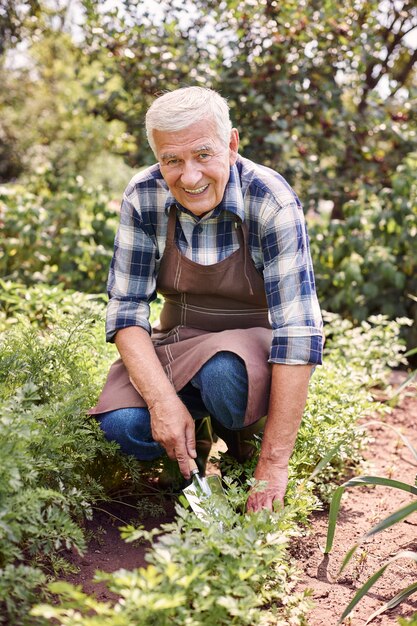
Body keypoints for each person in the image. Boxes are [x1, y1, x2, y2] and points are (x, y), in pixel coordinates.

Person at [90, 86, 323, 512]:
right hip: (179, 341)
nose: (189, 177)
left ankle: (246, 440)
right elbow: (126, 312)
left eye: (202, 154)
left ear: (231, 145)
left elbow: (298, 331)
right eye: (171, 160)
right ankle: (190, 438)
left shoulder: (268, 198)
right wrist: (163, 403)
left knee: (222, 375)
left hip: (252, 348)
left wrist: (275, 466)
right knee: (122, 425)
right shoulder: (144, 195)